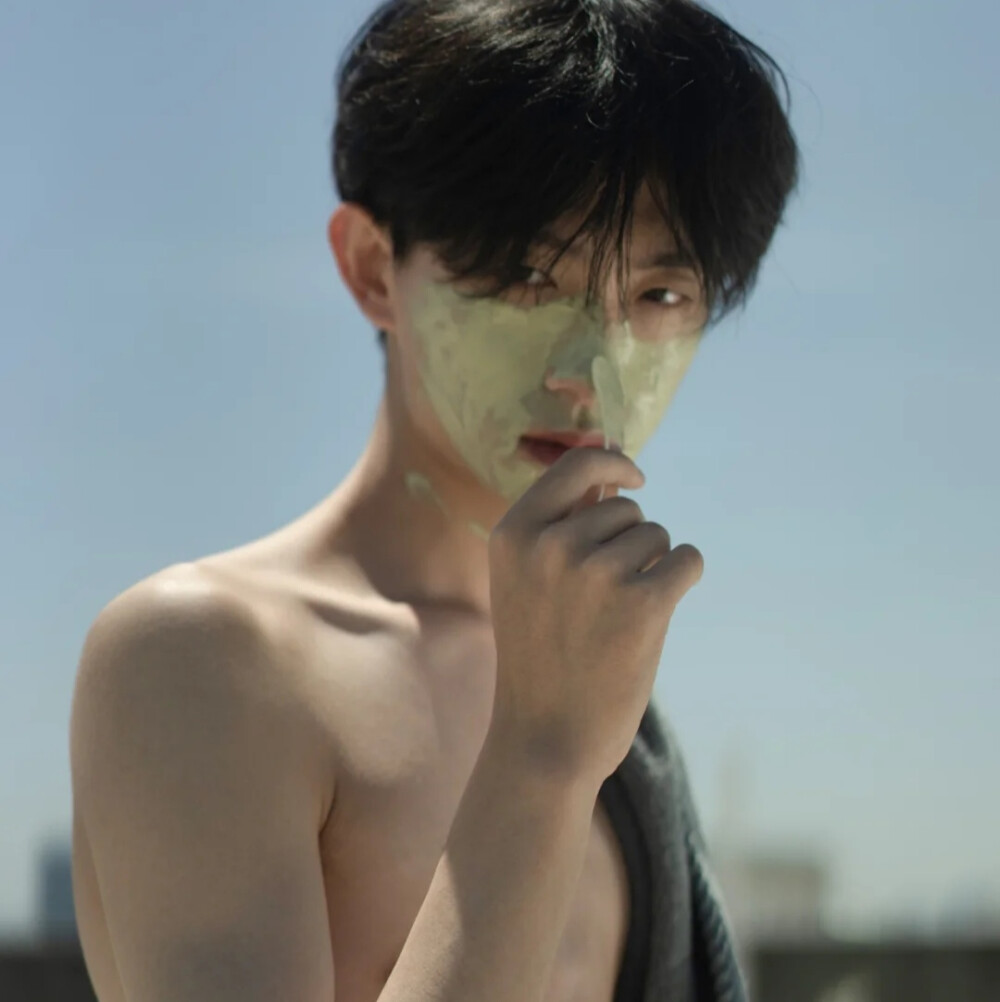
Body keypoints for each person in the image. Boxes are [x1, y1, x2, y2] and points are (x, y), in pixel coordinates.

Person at [69, 2, 801, 1001]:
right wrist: (540, 760)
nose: (594, 366)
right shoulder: (207, 658)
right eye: (530, 277)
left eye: (659, 297)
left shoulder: (604, 698)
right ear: (375, 268)